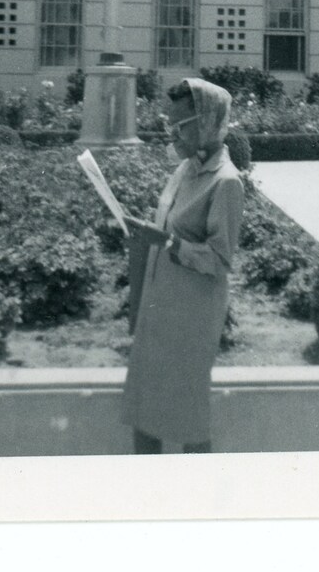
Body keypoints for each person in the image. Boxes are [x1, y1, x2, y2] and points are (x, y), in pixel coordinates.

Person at [119, 77, 244, 454]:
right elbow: (169, 228)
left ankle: (195, 502)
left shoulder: (226, 183)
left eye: (179, 125)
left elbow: (220, 260)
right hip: (159, 309)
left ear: (207, 123)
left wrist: (169, 243)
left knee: (188, 418)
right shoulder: (185, 169)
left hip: (191, 317)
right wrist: (145, 232)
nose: (169, 132)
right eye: (167, 122)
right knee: (143, 410)